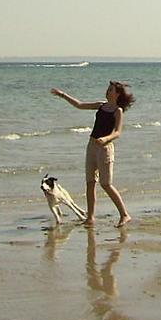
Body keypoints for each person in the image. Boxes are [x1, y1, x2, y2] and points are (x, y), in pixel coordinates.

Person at [51, 81, 135, 227]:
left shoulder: (118, 111)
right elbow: (79, 105)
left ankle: (124, 214)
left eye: (110, 90)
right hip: (91, 146)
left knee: (106, 184)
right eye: (107, 89)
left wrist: (106, 139)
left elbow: (118, 132)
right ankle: (90, 217)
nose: (107, 92)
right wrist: (63, 95)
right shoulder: (101, 105)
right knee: (90, 182)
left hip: (105, 149)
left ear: (117, 94)